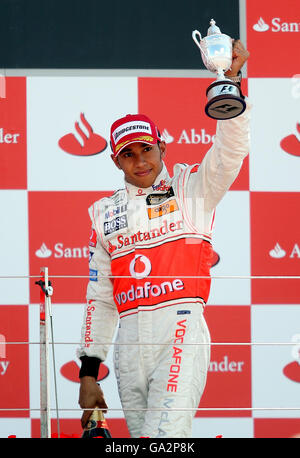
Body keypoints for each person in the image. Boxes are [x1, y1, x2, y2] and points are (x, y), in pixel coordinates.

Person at [77, 40, 250, 438]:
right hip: (129, 343)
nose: (141, 161)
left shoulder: (193, 188)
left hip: (182, 329)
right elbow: (100, 298)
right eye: (128, 154)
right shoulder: (105, 214)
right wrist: (89, 372)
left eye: (147, 150)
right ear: (116, 160)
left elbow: (232, 149)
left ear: (163, 147)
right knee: (142, 441)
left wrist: (232, 82)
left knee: (165, 440)